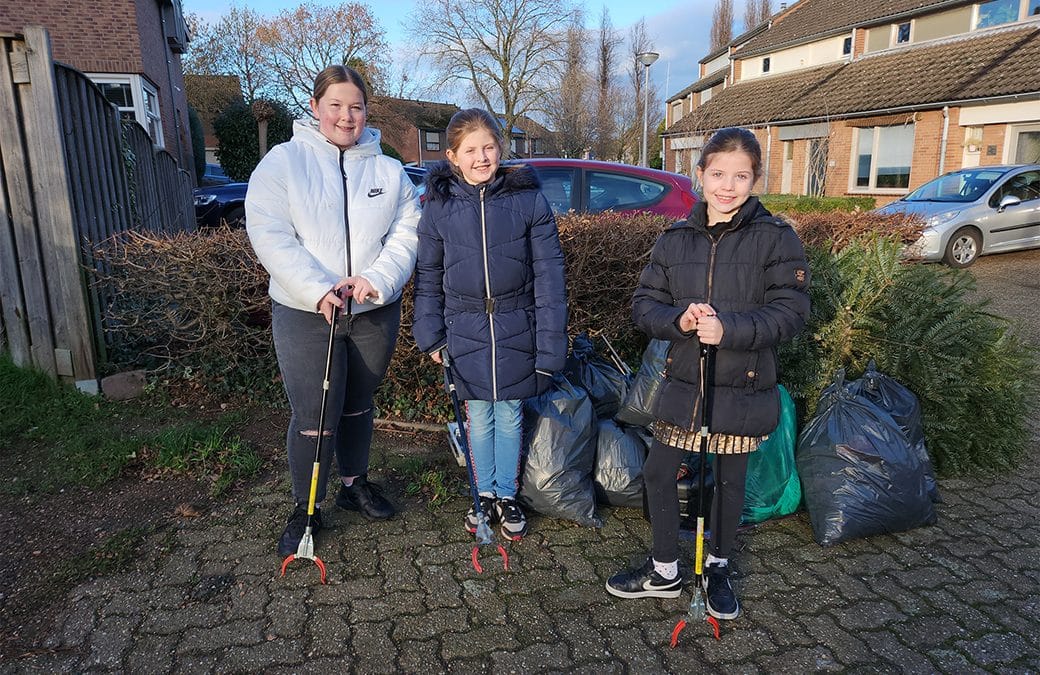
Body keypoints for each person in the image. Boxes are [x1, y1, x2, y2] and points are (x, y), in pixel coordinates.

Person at [605, 127, 810, 621]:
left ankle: (716, 565)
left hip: (742, 383)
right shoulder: (674, 238)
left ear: (755, 179)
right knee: (657, 471)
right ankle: (665, 569)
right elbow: (644, 305)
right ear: (700, 175)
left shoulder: (777, 238)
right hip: (683, 383)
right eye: (718, 174)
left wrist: (731, 329)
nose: (728, 186)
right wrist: (678, 320)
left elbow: (792, 312)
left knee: (728, 481)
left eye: (741, 176)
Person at [245, 65, 421, 556]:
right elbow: (270, 233)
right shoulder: (284, 163)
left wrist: (377, 281)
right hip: (307, 312)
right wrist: (315, 288)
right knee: (314, 415)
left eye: (357, 106)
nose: (347, 116)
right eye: (337, 105)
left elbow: (407, 232)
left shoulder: (388, 169)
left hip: (371, 310)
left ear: (367, 111)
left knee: (359, 404)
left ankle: (352, 485)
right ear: (316, 107)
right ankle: (305, 508)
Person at [412, 108, 567, 541]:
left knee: (512, 413)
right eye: (471, 150)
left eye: (489, 147)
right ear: (452, 156)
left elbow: (550, 277)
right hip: (464, 328)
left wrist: (551, 342)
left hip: (520, 324)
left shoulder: (528, 200)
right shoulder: (439, 207)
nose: (482, 157)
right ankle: (482, 496)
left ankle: (507, 495)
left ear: (501, 147)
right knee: (479, 415)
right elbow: (428, 276)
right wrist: (431, 333)